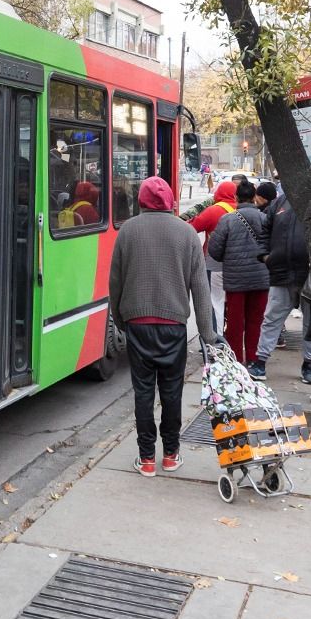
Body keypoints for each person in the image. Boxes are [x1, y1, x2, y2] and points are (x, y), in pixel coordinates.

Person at [109, 176, 217, 477]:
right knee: (171, 392)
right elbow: (200, 289)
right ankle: (170, 455)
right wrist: (207, 335)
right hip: (173, 326)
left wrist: (121, 321)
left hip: (138, 325)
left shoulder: (127, 231)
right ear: (170, 201)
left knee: (143, 392)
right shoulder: (185, 233)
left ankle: (146, 458)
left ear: (141, 201)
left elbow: (115, 282)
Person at [247, 191, 311, 385]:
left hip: (309, 274)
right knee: (272, 318)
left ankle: (309, 364)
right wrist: (265, 256)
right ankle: (260, 363)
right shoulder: (279, 203)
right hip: (282, 272)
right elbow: (265, 231)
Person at [208, 180, 270, 366]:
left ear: (236, 197)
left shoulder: (227, 220)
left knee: (235, 323)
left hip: (235, 281)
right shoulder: (265, 219)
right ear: (254, 198)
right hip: (261, 279)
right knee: (255, 321)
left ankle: (235, 361)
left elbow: (215, 251)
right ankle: (253, 359)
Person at [189, 181, 237, 331]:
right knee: (234, 303)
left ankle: (217, 338)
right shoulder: (242, 210)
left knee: (214, 301)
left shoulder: (213, 211)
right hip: (239, 265)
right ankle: (232, 338)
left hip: (214, 262)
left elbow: (192, 227)